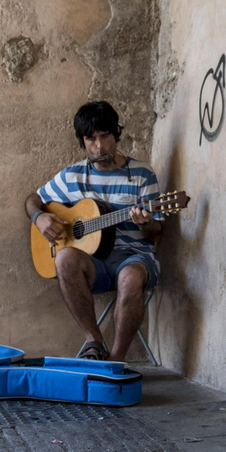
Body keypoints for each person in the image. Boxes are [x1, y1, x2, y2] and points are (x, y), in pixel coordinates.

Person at [25, 101, 169, 362]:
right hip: (93, 263)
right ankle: (93, 340)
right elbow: (33, 198)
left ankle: (115, 361)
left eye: (105, 137)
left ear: (117, 133)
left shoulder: (142, 174)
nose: (100, 146)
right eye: (91, 139)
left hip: (134, 257)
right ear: (82, 141)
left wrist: (146, 222)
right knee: (64, 258)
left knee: (131, 278)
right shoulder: (72, 176)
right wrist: (40, 217)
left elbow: (156, 231)